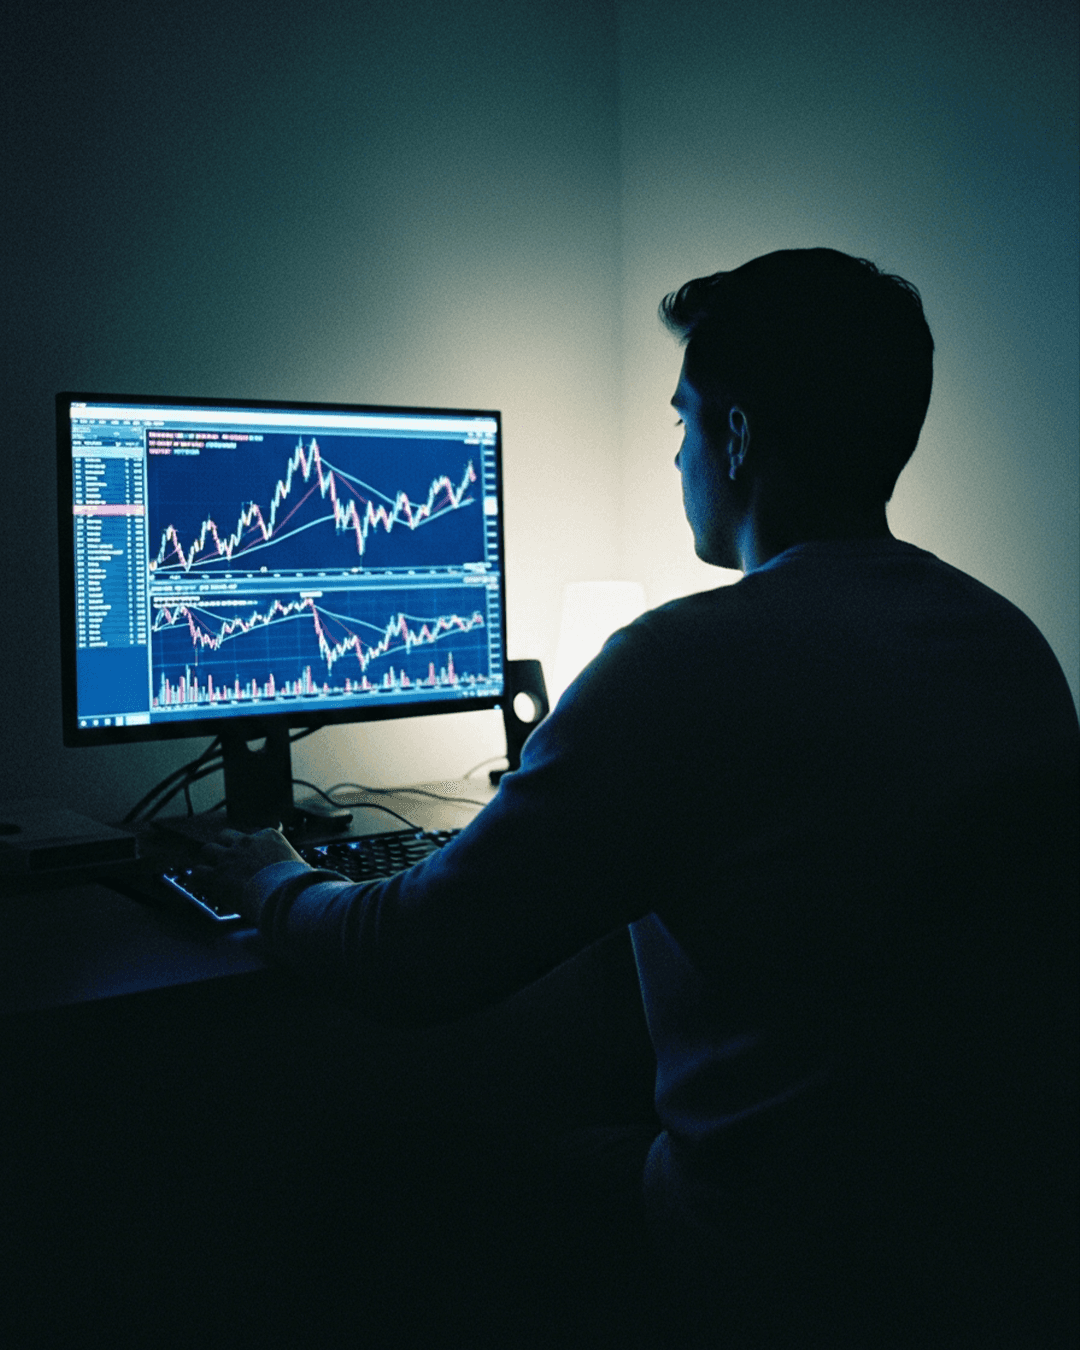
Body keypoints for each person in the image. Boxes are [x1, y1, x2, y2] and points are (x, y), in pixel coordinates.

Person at [197, 248, 1079, 1345]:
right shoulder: (1009, 644)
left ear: (739, 438)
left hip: (767, 1255)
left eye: (681, 423)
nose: (676, 459)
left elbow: (409, 962)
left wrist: (274, 878)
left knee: (370, 1172)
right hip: (981, 1251)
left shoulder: (687, 662)